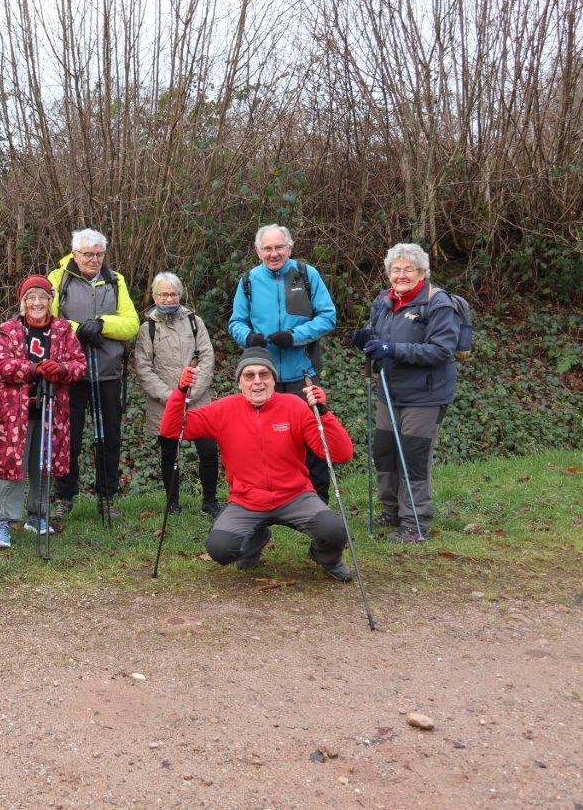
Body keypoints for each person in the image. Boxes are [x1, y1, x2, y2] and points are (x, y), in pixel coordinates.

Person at [162, 347, 354, 581]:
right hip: (247, 500)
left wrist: (323, 413)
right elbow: (172, 430)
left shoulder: (294, 406)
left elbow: (340, 454)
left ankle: (327, 558)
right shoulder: (223, 410)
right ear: (239, 382)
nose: (257, 382)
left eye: (264, 375)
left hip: (295, 496)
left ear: (274, 380)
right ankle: (256, 540)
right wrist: (181, 391)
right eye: (249, 376)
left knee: (333, 531)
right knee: (220, 548)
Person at [350, 242, 460, 543]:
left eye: (408, 269)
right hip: (389, 391)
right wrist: (366, 340)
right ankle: (391, 511)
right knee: (384, 451)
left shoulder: (437, 304)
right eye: (395, 270)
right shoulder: (383, 301)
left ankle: (415, 523)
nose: (401, 275)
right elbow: (378, 335)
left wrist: (392, 349)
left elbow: (441, 350)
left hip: (425, 396)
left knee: (413, 455)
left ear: (422, 272)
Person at [228, 224, 337, 502]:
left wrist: (294, 337)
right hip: (262, 377)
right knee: (267, 441)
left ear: (289, 247)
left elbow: (327, 317)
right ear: (258, 251)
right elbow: (236, 322)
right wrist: (249, 337)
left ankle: (318, 499)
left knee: (313, 439)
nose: (273, 253)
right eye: (267, 248)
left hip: (303, 372)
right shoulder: (248, 281)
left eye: (279, 247)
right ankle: (269, 499)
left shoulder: (306, 274)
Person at [46, 228, 140, 523]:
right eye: (88, 254)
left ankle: (107, 495)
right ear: (75, 254)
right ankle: (64, 496)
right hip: (69, 373)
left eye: (99, 254)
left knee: (108, 438)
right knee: (68, 438)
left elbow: (131, 323)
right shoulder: (57, 278)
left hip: (107, 372)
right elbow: (48, 320)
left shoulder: (116, 280)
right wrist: (78, 329)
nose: (94, 259)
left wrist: (101, 323)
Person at [0, 275, 86, 548]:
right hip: (14, 413)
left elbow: (79, 364)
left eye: (43, 297)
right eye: (31, 297)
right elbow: (0, 364)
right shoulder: (10, 329)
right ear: (23, 302)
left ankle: (38, 514)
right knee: (10, 465)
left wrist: (62, 369)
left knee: (44, 464)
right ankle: (3, 522)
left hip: (52, 410)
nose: (37, 302)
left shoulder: (63, 329)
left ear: (51, 301)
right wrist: (32, 369)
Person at [134, 271, 222, 518]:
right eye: (163, 294)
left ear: (180, 295)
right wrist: (171, 396)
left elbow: (207, 356)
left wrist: (192, 391)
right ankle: (172, 503)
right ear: (154, 296)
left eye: (173, 294)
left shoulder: (196, 322)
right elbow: (143, 368)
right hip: (165, 403)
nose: (169, 298)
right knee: (170, 453)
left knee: (207, 451)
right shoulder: (147, 328)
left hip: (199, 401)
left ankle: (210, 502)